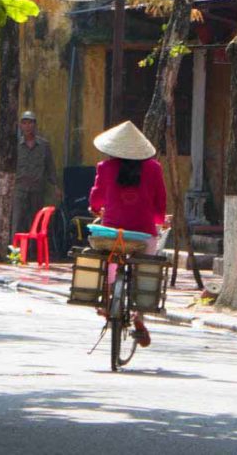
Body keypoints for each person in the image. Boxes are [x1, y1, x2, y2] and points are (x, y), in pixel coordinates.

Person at [88, 120, 166, 348]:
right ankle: (139, 315)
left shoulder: (104, 167)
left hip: (111, 233)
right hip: (142, 235)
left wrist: (97, 208)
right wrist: (160, 221)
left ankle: (106, 298)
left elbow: (96, 201)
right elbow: (159, 205)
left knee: (108, 260)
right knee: (145, 268)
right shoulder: (154, 169)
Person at [13, 110, 60, 236]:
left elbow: (50, 166)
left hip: (37, 189)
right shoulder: (15, 145)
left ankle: (33, 251)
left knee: (35, 222)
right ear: (20, 126)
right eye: (24, 123)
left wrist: (55, 186)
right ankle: (16, 251)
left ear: (35, 125)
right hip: (20, 189)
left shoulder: (44, 145)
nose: (27, 126)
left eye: (30, 123)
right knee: (17, 221)